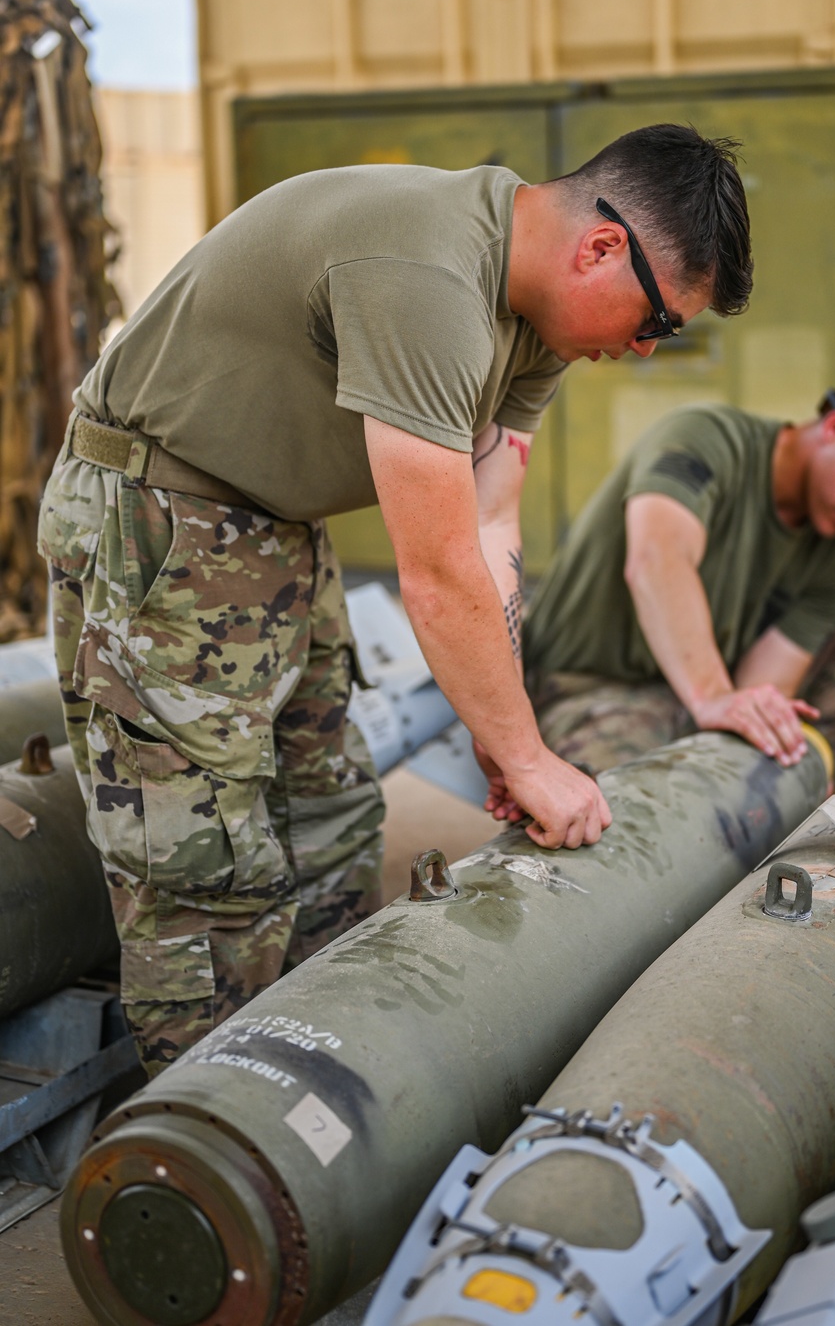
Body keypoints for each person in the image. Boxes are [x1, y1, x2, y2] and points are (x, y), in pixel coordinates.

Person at [37, 123, 753, 1072]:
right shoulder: (431, 276)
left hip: (275, 521)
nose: (648, 350)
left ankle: (331, 1064)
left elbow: (493, 525)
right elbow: (438, 567)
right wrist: (529, 757)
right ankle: (211, 1128)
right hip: (160, 514)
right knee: (203, 864)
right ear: (603, 247)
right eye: (658, 321)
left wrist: (504, 733)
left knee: (329, 812)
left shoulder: (532, 321)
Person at [524, 364, 835, 785]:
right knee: (625, 827)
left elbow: (760, 687)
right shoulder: (706, 438)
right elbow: (657, 560)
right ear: (834, 427)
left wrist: (763, 752)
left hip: (690, 701)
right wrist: (714, 697)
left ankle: (792, 803)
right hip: (589, 688)